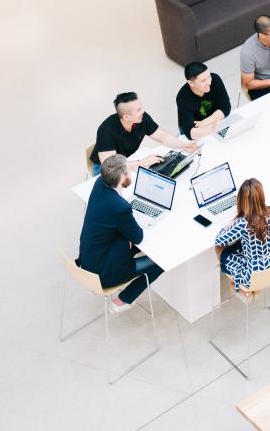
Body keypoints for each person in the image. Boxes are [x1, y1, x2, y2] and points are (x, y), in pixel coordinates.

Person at [78, 155, 163, 313]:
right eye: (128, 171)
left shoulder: (99, 183)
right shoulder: (120, 207)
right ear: (123, 176)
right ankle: (123, 300)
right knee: (162, 262)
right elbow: (138, 237)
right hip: (104, 274)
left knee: (132, 242)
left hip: (88, 260)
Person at [90, 92, 198, 174]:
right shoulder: (106, 130)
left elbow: (162, 136)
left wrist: (184, 145)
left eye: (141, 107)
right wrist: (141, 163)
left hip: (128, 160)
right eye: (138, 110)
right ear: (126, 117)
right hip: (105, 168)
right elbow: (111, 167)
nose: (142, 111)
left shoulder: (142, 118)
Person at [214, 178, 270, 302]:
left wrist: (230, 224)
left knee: (220, 249)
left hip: (253, 274)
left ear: (241, 200)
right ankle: (249, 286)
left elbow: (219, 240)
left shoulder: (243, 223)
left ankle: (242, 287)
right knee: (241, 243)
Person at [176, 62, 231, 139]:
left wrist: (204, 123)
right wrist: (211, 129)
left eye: (209, 76)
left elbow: (226, 108)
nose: (209, 82)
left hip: (214, 122)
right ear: (191, 83)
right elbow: (190, 132)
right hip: (199, 132)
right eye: (203, 80)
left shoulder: (215, 79)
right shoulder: (183, 97)